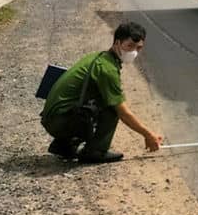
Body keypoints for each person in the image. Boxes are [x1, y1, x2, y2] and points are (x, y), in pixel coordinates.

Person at [40, 22, 164, 163]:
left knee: (102, 100)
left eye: (138, 48)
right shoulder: (107, 69)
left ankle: (63, 145)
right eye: (130, 46)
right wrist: (148, 135)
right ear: (117, 43)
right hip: (59, 122)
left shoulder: (100, 57)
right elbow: (123, 113)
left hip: (52, 117)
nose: (134, 52)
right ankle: (95, 152)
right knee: (113, 108)